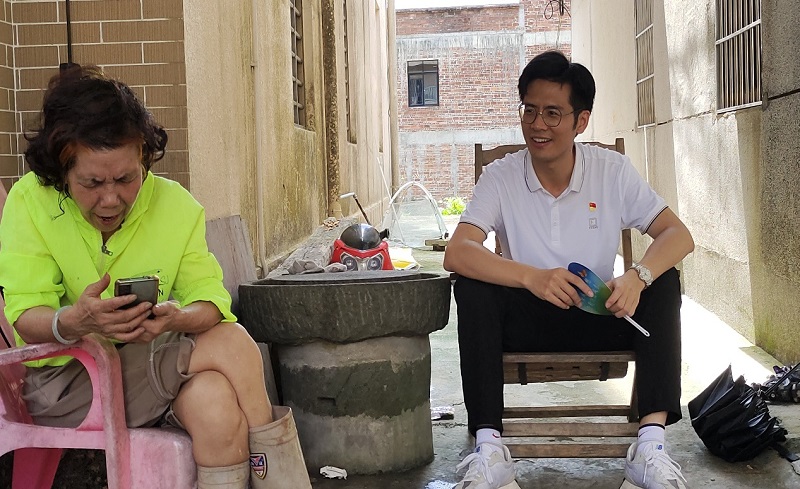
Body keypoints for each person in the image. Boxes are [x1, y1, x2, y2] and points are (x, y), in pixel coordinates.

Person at [0, 65, 311, 489]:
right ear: (62, 171)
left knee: (216, 407)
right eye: (92, 183)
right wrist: (77, 321)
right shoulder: (31, 202)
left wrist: (175, 319)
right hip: (67, 385)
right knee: (233, 344)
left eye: (126, 178)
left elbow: (210, 301)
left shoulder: (176, 207)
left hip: (149, 368)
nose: (111, 198)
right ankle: (283, 478)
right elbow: (26, 316)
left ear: (144, 158)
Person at [443, 50, 695, 489]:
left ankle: (650, 448)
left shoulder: (611, 171)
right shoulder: (501, 177)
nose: (537, 124)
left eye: (553, 113)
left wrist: (636, 277)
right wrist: (531, 277)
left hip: (600, 315)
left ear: (581, 121)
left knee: (663, 280)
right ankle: (490, 450)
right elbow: (458, 251)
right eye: (529, 110)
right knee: (472, 285)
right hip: (526, 322)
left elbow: (678, 235)